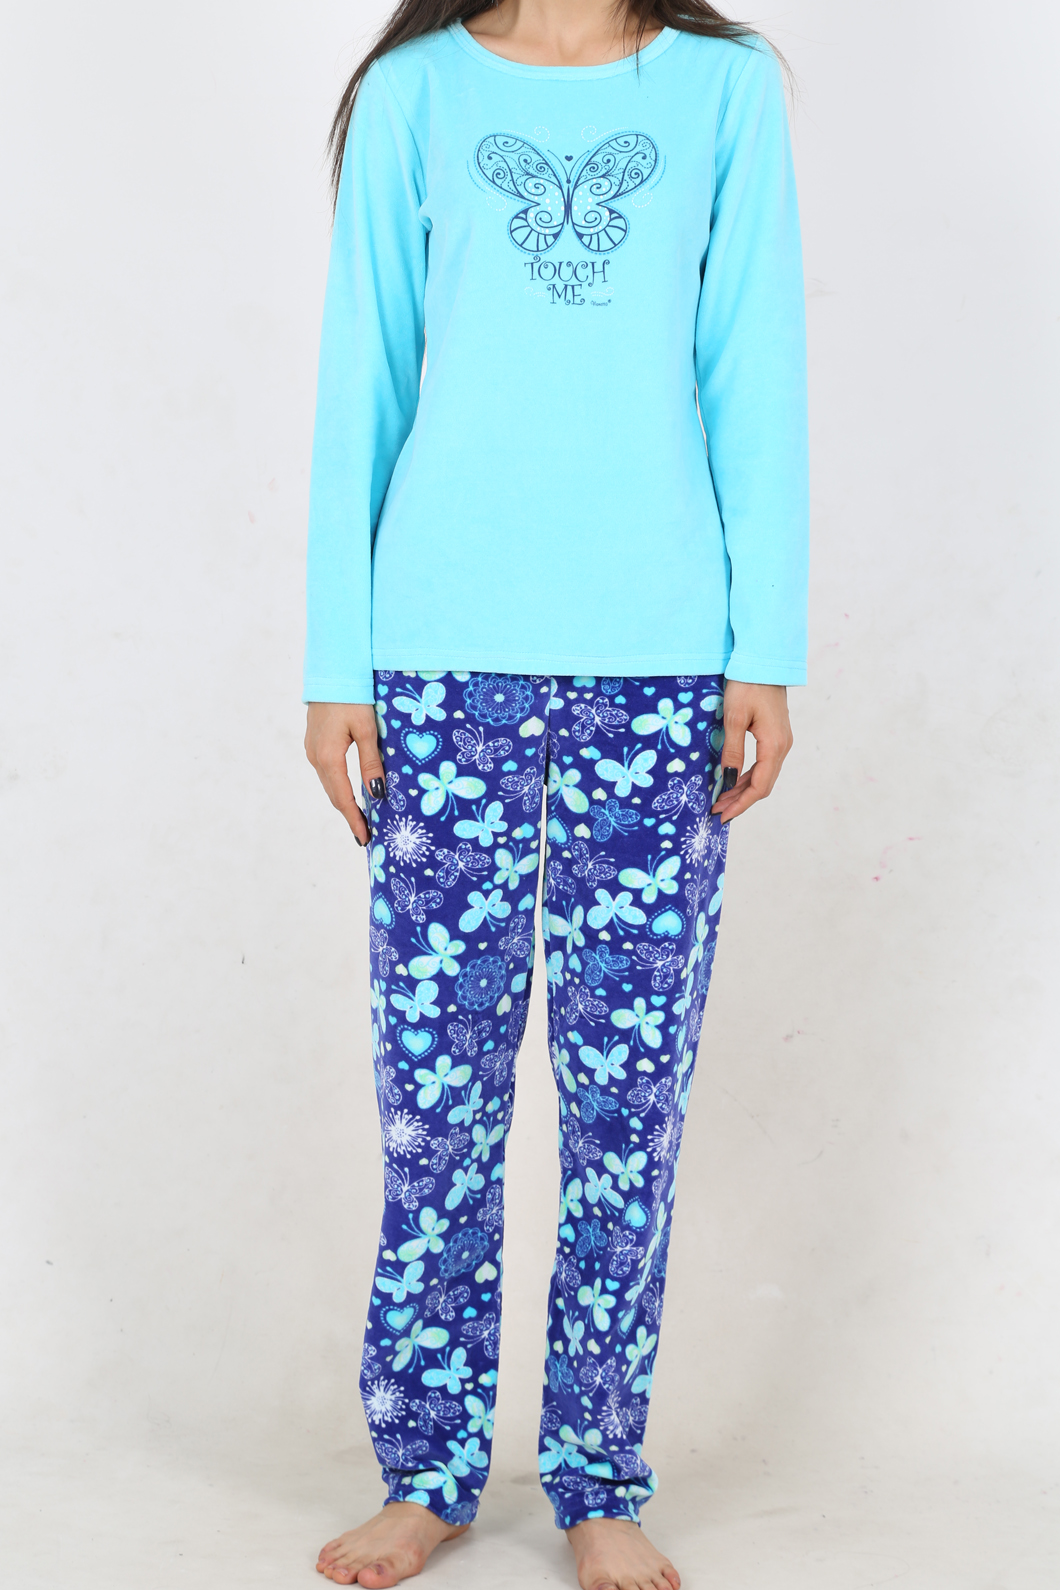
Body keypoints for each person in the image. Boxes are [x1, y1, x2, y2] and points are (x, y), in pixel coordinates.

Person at [303, 0, 807, 1583]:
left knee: (627, 1096)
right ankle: (431, 1464)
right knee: (436, 1094)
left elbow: (755, 363)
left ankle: (597, 1471)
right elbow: (365, 373)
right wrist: (335, 660)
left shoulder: (726, 93)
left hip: (661, 660)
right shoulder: (413, 96)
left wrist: (765, 647)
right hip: (438, 651)